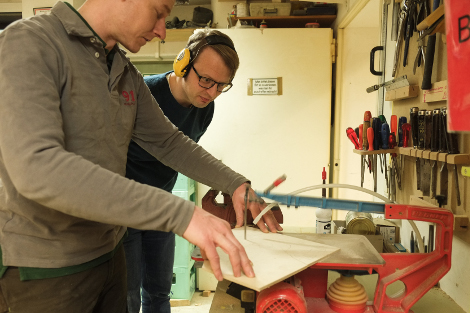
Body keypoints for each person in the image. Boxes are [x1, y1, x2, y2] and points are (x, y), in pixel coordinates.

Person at [0, 1, 282, 313]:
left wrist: (236, 184)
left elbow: (170, 143)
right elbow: (38, 167)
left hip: (108, 253)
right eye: (159, 11)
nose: (162, 30)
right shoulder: (31, 42)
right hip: (46, 271)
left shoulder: (124, 72)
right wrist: (181, 213)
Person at [124, 29, 241, 313]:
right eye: (206, 80)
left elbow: (184, 157)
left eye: (221, 86)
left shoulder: (205, 108)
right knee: (126, 298)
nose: (211, 92)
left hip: (162, 209)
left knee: (159, 293)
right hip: (123, 209)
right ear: (183, 63)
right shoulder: (145, 94)